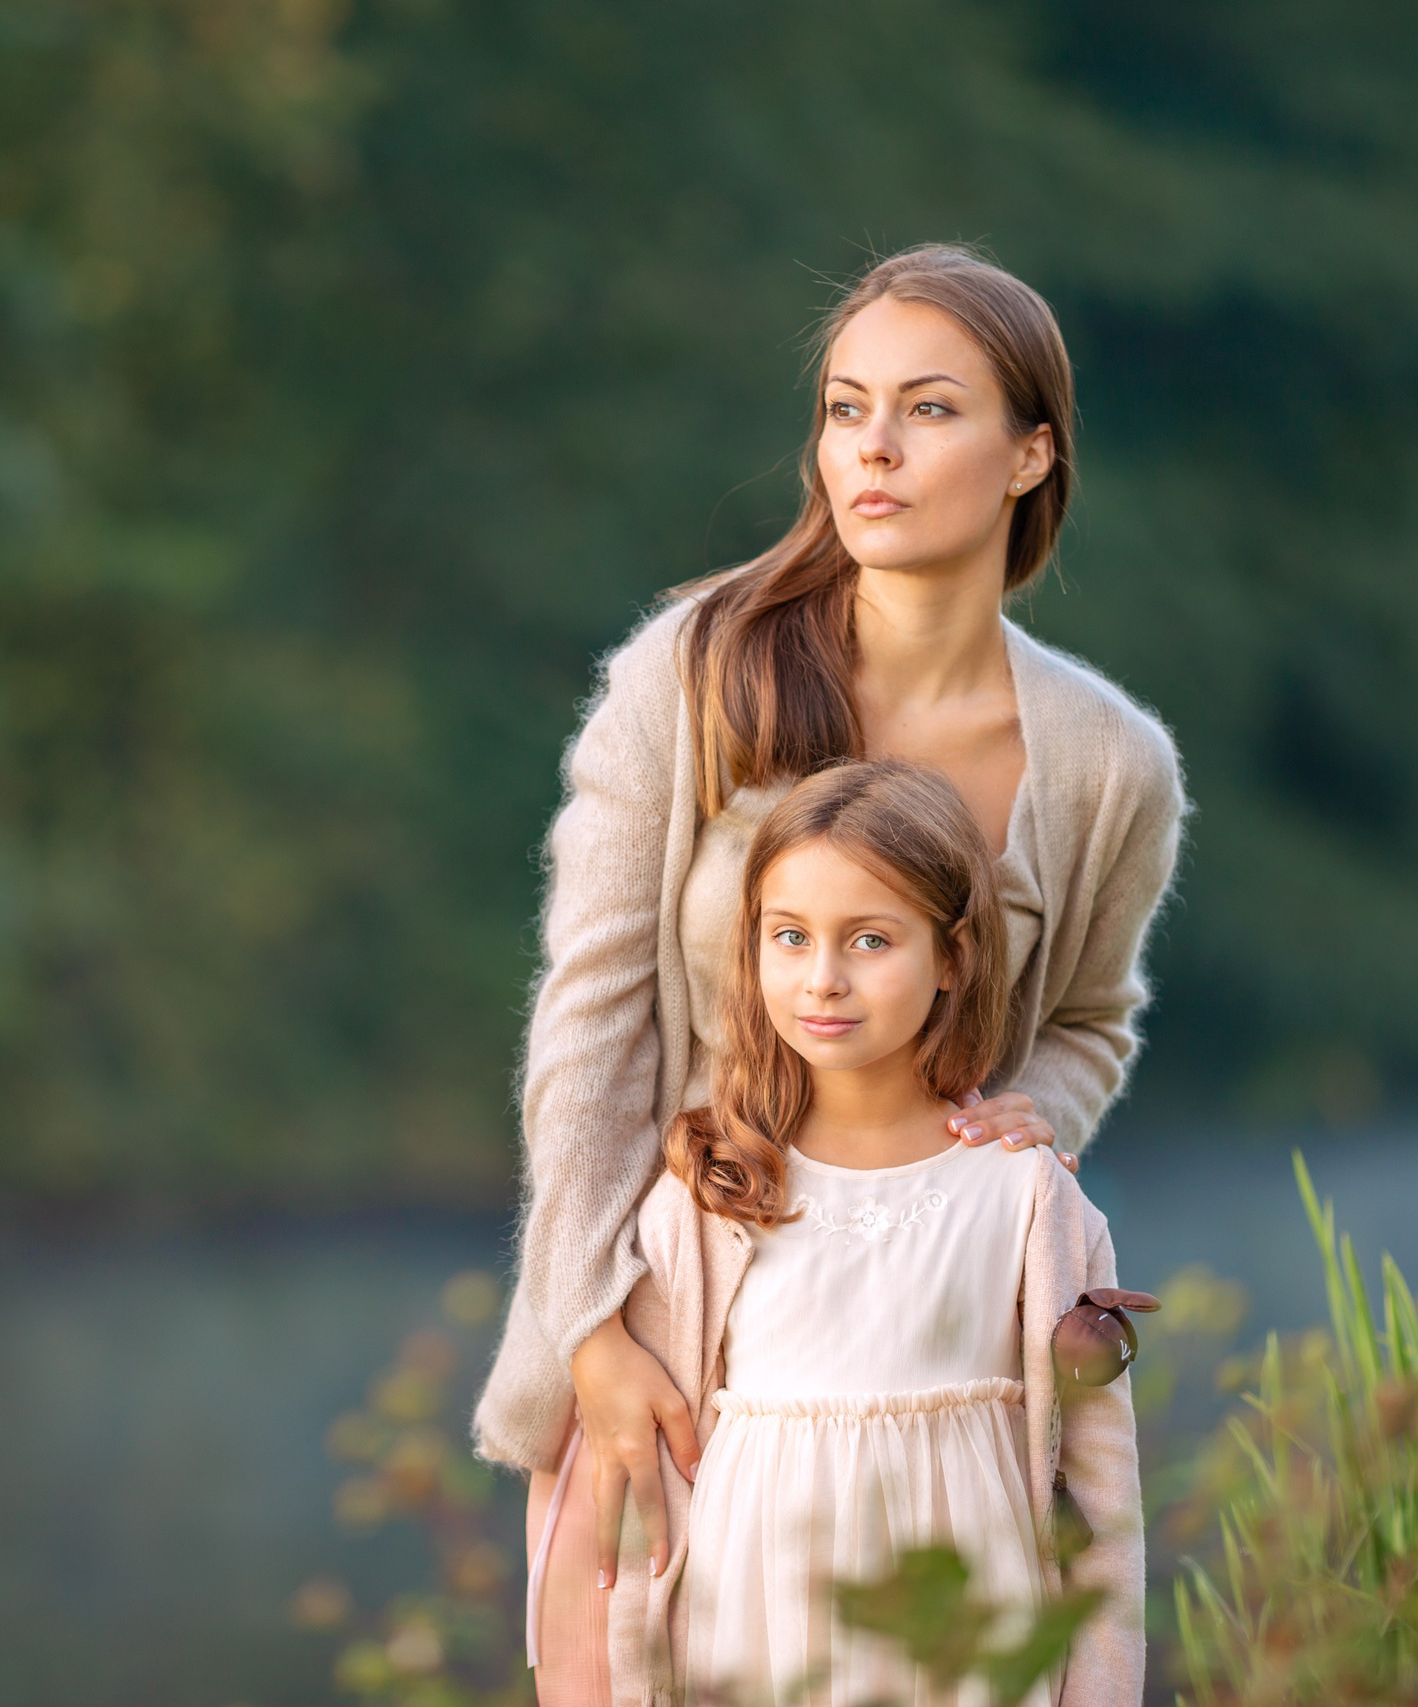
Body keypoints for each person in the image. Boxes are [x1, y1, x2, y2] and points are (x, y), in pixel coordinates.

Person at [472, 245, 1185, 1695]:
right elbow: (591, 1021)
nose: (872, 444)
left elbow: (1094, 1021)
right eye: (846, 405)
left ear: (1031, 449)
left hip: (936, 1385)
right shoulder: (691, 673)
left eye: (928, 409)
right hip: (671, 1340)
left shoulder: (1111, 764)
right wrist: (591, 1325)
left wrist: (1024, 1110)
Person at [542, 760, 1145, 1705]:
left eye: (869, 939)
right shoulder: (713, 1193)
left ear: (952, 957)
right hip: (756, 1626)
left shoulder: (1030, 1197)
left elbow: (1101, 1492)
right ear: (753, 950)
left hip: (973, 1631)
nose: (823, 979)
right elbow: (642, 1479)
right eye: (790, 937)